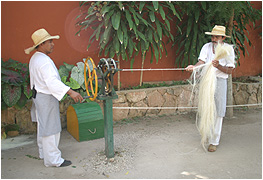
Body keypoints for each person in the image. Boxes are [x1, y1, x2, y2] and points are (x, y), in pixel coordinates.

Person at [25, 28, 84, 167]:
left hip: (38, 96)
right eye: (49, 42)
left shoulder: (35, 58)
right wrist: (71, 92)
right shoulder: (43, 61)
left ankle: (43, 153)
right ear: (41, 45)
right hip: (46, 97)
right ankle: (53, 160)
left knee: (43, 125)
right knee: (51, 129)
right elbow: (51, 82)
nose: (53, 44)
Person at [185, 25, 235, 152]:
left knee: (219, 111)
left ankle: (214, 141)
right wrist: (193, 67)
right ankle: (206, 134)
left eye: (217, 36)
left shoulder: (228, 49)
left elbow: (230, 70)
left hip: (220, 81)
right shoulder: (206, 47)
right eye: (213, 36)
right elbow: (201, 62)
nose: (214, 38)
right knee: (206, 108)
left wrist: (218, 66)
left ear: (223, 38)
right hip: (207, 81)